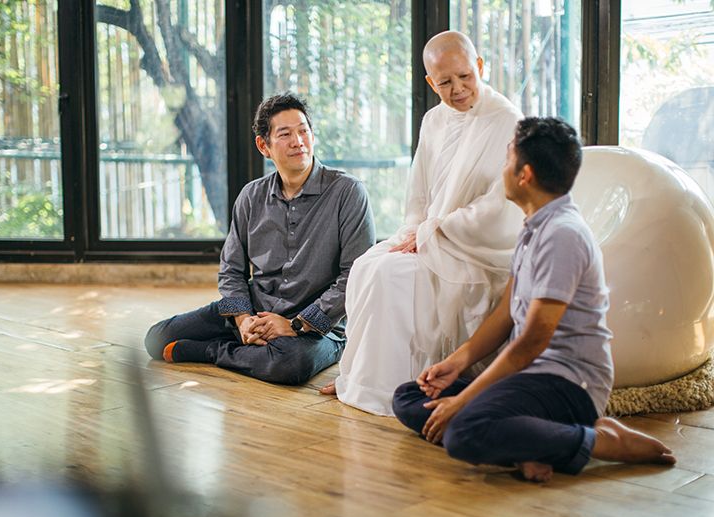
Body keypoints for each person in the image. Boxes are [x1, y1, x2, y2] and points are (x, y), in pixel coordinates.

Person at [392, 117, 676, 482]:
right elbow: (506, 314)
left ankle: (601, 441)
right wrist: (456, 363)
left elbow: (532, 342)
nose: (502, 170)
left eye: (507, 159)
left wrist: (462, 402)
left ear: (524, 174)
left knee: (464, 430)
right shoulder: (533, 227)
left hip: (567, 383)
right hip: (527, 378)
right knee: (409, 397)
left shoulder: (562, 235)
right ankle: (528, 444)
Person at [321, 31, 523, 415]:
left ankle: (385, 389)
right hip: (430, 236)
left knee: (389, 275)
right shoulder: (433, 120)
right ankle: (358, 378)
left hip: (475, 249)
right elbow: (419, 193)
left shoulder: (508, 120)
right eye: (445, 82)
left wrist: (436, 231)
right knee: (367, 266)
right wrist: (415, 231)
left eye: (465, 76)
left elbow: (502, 207)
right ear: (431, 83)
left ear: (480, 67)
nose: (457, 89)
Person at [144, 93, 375, 385]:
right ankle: (249, 342)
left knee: (290, 365)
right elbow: (231, 269)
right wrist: (243, 319)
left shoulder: (348, 192)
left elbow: (354, 274)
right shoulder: (251, 196)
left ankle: (212, 351)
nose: (298, 141)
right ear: (263, 146)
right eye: (285, 134)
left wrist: (294, 325)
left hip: (317, 327)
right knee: (156, 338)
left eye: (303, 131)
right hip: (255, 308)